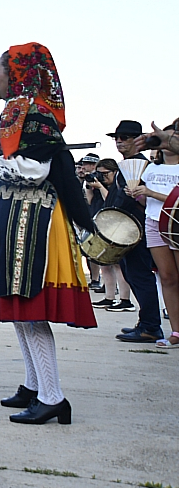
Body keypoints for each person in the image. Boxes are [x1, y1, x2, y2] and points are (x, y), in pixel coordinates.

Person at [0, 42, 96, 426]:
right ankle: (35, 386)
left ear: (17, 75)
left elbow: (34, 171)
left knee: (31, 309)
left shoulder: (36, 114)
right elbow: (9, 161)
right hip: (14, 216)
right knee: (21, 309)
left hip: (32, 220)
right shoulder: (17, 112)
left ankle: (53, 397)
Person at [105, 120, 164, 344]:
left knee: (140, 276)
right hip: (126, 229)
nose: (119, 141)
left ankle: (151, 326)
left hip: (136, 229)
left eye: (125, 137)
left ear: (137, 140)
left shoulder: (145, 167)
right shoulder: (127, 166)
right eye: (117, 138)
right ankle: (147, 323)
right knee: (132, 275)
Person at [126, 120, 179, 347]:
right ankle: (176, 331)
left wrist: (151, 192)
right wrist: (138, 194)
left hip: (176, 224)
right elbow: (145, 201)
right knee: (167, 277)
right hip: (153, 222)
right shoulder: (151, 168)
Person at [87, 158, 134, 311]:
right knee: (104, 264)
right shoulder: (98, 187)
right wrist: (89, 187)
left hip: (115, 226)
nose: (102, 177)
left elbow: (111, 202)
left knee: (118, 265)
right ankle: (109, 297)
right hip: (100, 225)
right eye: (99, 174)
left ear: (115, 172)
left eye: (105, 173)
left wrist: (101, 186)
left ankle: (125, 300)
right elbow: (89, 201)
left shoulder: (118, 186)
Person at [76, 153, 103, 292]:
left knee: (94, 249)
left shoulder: (99, 179)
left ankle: (96, 279)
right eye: (80, 166)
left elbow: (91, 200)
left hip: (95, 216)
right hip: (80, 217)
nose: (82, 169)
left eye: (85, 165)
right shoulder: (75, 181)